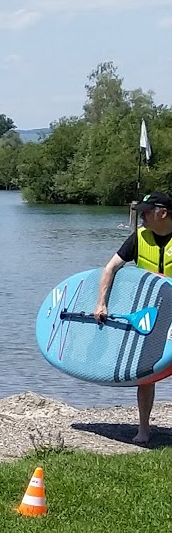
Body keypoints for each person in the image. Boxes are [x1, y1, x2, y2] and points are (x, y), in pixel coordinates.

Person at [94, 190, 172, 444]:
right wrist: (101, 303)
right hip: (149, 316)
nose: (142, 218)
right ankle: (144, 428)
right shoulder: (139, 238)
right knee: (146, 374)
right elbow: (110, 267)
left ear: (163, 213)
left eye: (146, 213)